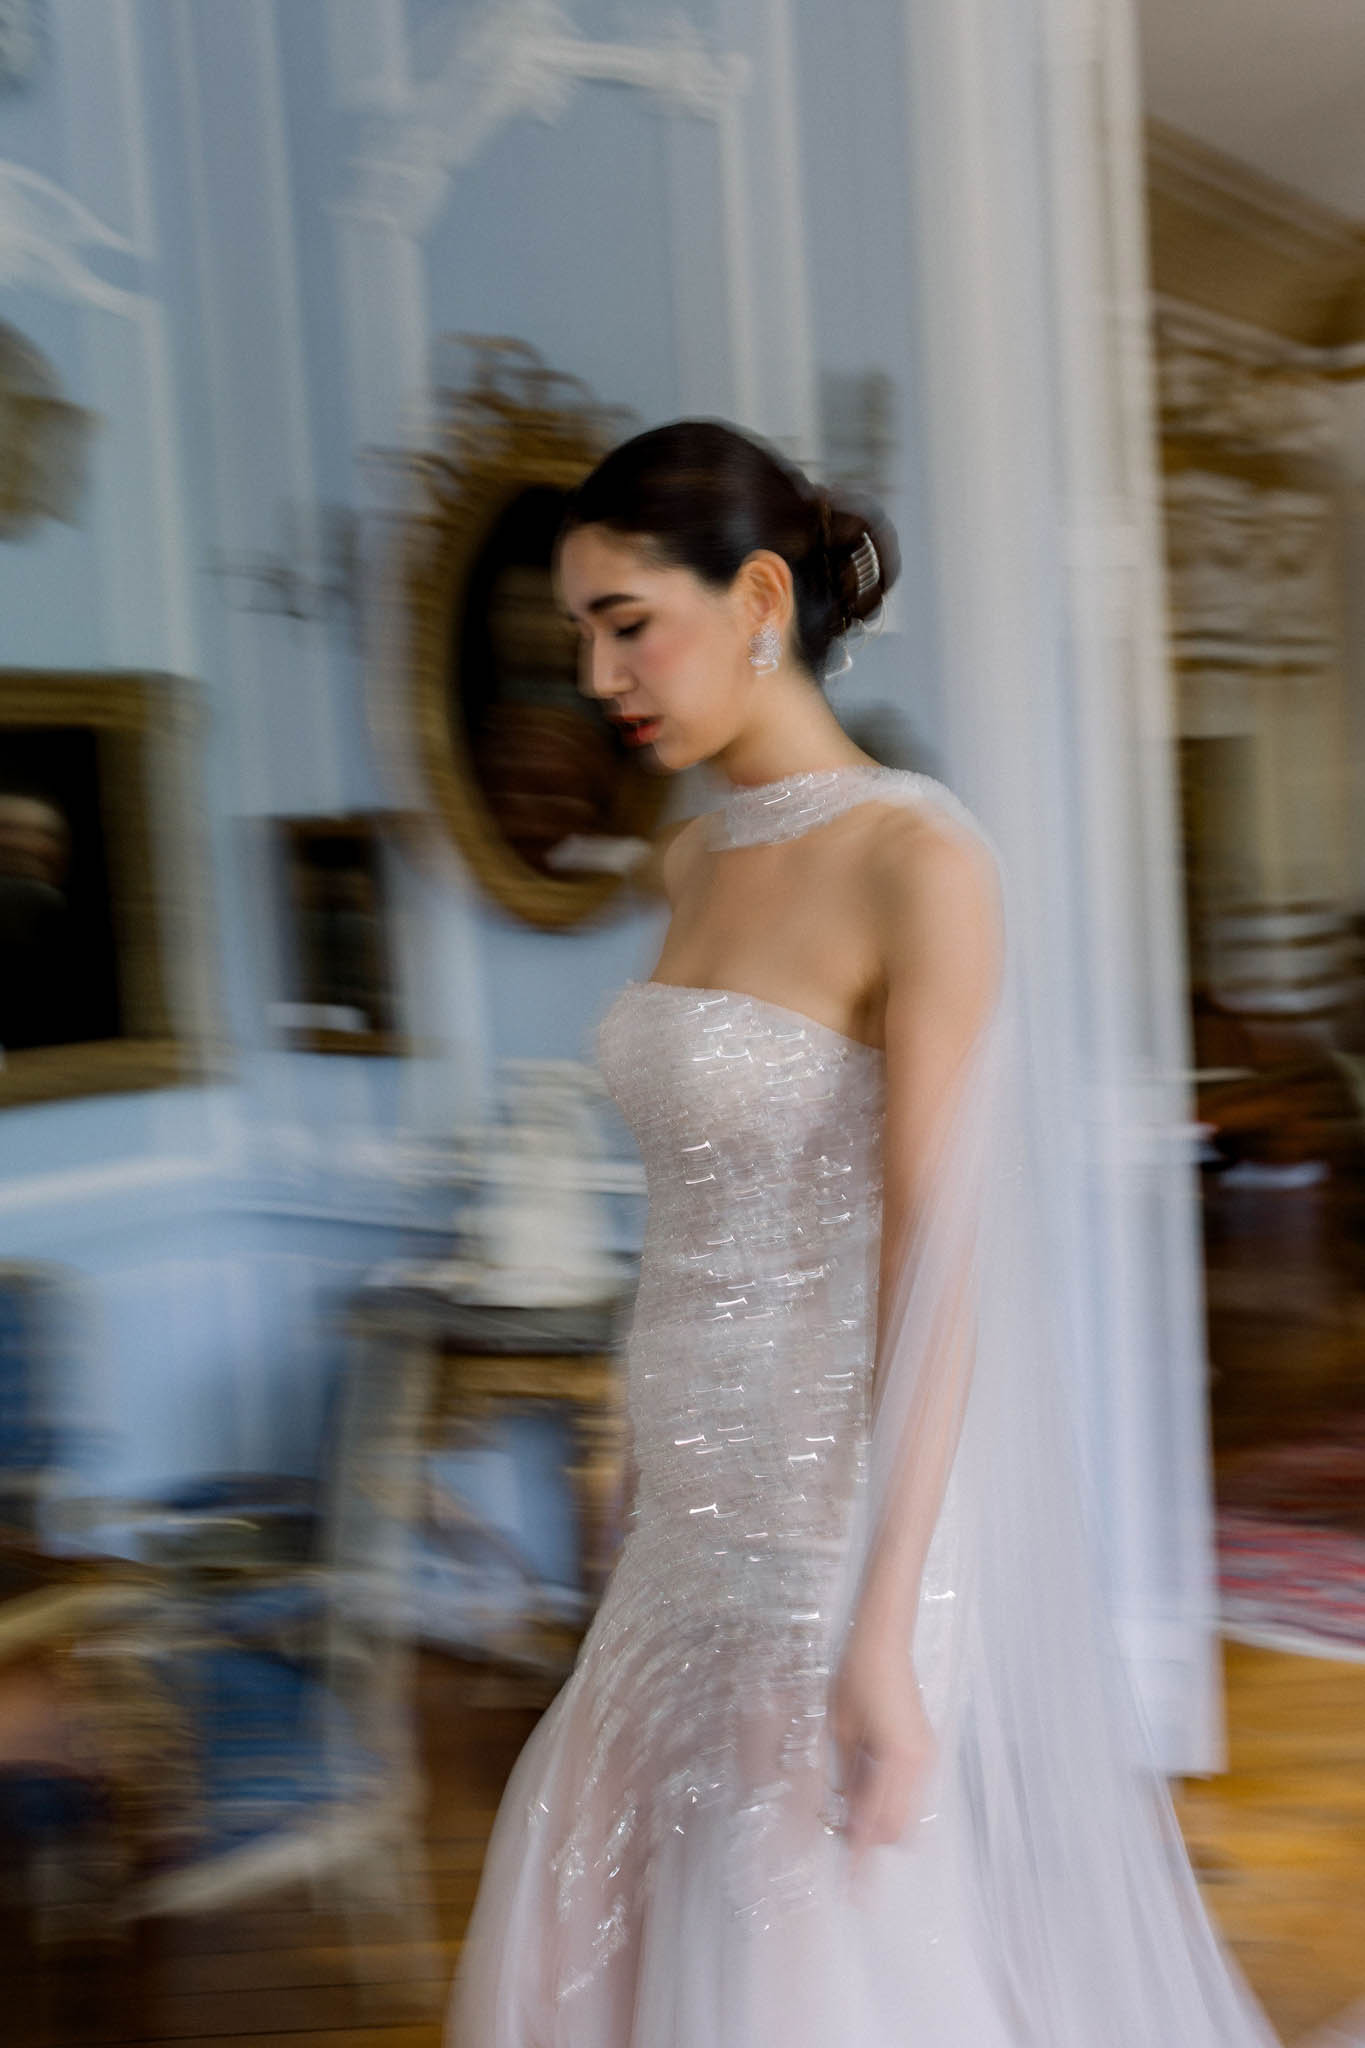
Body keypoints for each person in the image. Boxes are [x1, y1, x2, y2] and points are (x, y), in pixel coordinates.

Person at [448, 420, 1279, 2045]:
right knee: (601, 1896)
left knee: (791, 1945)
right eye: (579, 636)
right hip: (683, 1507)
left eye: (625, 624)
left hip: (835, 1521)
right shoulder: (690, 859)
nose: (596, 676)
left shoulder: (920, 858)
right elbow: (699, 1208)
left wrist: (883, 1627)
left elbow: (934, 1265)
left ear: (758, 597)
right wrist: (635, 1464)